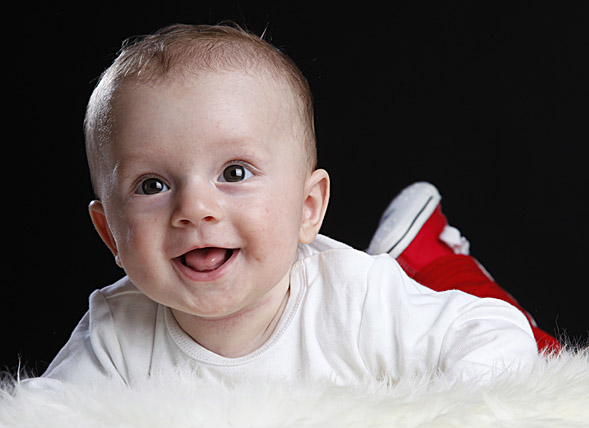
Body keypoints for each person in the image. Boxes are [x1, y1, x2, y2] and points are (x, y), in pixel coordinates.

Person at [40, 23, 557, 388]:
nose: (195, 208)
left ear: (308, 207)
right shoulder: (115, 331)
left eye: (234, 173)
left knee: (545, 359)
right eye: (152, 185)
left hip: (389, 293)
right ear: (111, 235)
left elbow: (494, 331)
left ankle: (429, 258)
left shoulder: (355, 299)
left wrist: (447, 424)